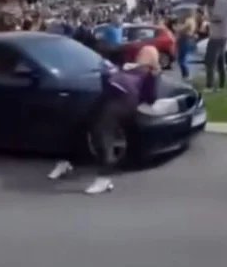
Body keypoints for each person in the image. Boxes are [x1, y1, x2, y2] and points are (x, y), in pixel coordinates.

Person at [48, 45, 160, 195]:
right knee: (81, 125)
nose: (141, 54)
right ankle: (68, 162)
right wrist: (107, 72)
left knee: (102, 132)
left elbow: (150, 97)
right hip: (109, 96)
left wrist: (153, 77)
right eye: (141, 52)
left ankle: (104, 178)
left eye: (146, 53)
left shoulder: (148, 74)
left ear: (152, 59)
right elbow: (109, 79)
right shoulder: (129, 66)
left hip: (124, 100)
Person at [204, 0, 227, 91]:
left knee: (210, 60)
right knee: (220, 62)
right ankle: (221, 86)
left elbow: (219, 18)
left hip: (219, 35)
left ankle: (210, 86)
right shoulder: (212, 2)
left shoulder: (222, 2)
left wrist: (208, 17)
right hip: (216, 34)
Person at [176, 14, 197, 80]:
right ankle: (185, 74)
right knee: (182, 58)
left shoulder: (189, 21)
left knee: (182, 58)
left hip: (184, 40)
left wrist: (178, 28)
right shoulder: (190, 21)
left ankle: (186, 74)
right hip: (184, 40)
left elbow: (181, 29)